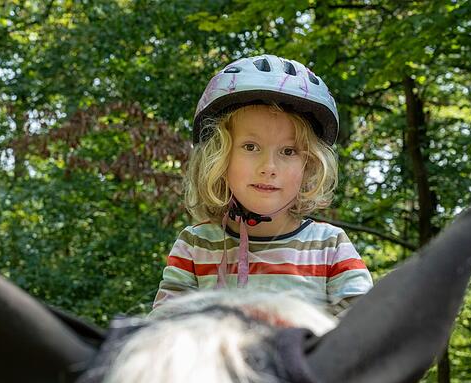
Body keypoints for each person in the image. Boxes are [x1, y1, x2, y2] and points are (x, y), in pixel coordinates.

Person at [154, 54, 373, 316]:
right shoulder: (196, 246)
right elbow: (163, 333)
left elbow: (367, 334)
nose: (269, 167)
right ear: (219, 158)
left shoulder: (329, 246)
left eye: (288, 151)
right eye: (250, 147)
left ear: (310, 164)